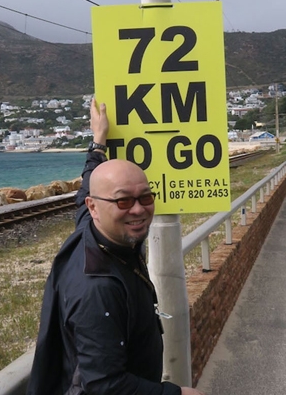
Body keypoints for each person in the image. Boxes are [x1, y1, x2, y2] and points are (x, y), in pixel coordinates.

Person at [27, 99, 204, 395]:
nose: (138, 210)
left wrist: (98, 142)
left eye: (145, 197)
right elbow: (104, 385)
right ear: (94, 208)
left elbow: (88, 184)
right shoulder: (97, 289)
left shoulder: (94, 228)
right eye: (123, 201)